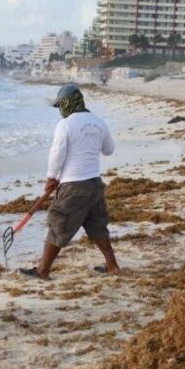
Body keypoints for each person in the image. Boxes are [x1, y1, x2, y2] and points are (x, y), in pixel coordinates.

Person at [19, 84, 120, 280]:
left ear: (67, 103)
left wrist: (51, 177)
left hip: (73, 186)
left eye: (60, 106)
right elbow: (109, 150)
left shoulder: (66, 125)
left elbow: (57, 154)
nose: (59, 111)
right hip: (94, 184)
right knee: (97, 226)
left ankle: (42, 271)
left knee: (58, 224)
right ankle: (112, 266)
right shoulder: (98, 122)